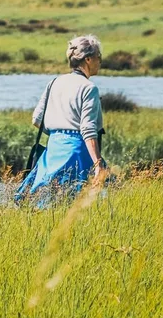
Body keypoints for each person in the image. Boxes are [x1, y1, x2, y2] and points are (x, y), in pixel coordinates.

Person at [16, 35, 107, 203]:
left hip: (53, 150)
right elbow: (88, 130)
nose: (100, 61)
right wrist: (98, 165)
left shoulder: (54, 82)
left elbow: (37, 119)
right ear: (88, 59)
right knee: (89, 203)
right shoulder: (89, 88)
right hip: (78, 152)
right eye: (98, 57)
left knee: (45, 202)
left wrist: (59, 133)